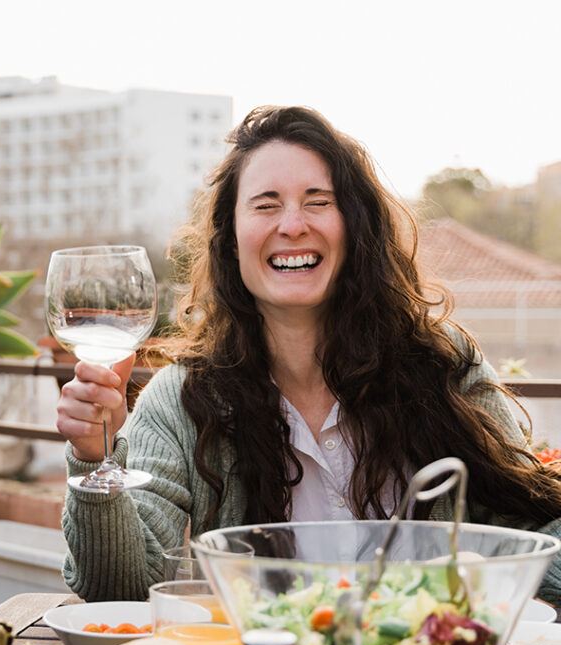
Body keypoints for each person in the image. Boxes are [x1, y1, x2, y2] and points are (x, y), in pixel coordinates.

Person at [56, 105, 561, 604]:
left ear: (355, 227)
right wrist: (92, 458)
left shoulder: (443, 365)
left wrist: (484, 579)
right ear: (231, 239)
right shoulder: (180, 399)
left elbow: (536, 535)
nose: (293, 225)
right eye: (266, 204)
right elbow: (120, 587)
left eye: (319, 201)